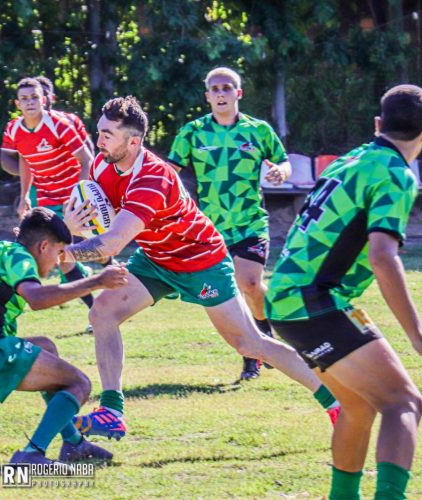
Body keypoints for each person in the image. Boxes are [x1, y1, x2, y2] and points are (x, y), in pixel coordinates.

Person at [61, 96, 339, 441]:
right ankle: (112, 412)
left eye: (107, 134)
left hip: (201, 261)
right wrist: (70, 226)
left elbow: (112, 244)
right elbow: (100, 224)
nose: (98, 140)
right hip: (155, 259)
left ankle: (335, 401)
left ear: (133, 142)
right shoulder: (102, 166)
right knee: (102, 312)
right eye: (99, 131)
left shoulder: (152, 178)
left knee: (250, 343)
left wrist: (63, 253)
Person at [265, 84, 422, 500]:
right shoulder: (396, 174)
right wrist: (417, 334)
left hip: (286, 296)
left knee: (358, 405)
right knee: (404, 403)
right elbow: (383, 257)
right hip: (316, 301)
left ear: (377, 124)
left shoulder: (353, 158)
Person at [0, 207, 126, 465]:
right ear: (43, 247)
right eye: (59, 252)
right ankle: (32, 453)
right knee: (80, 384)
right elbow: (37, 299)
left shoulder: (0, 249)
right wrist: (96, 282)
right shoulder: (21, 258)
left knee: (46, 347)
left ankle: (74, 443)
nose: (58, 263)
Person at [168, 67, 291, 381]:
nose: (221, 94)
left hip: (250, 222)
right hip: (211, 228)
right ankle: (254, 356)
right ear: (207, 96)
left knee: (250, 285)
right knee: (232, 293)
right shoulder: (193, 132)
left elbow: (283, 161)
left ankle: (265, 335)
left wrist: (281, 171)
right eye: (215, 89)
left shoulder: (258, 130)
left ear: (239, 93)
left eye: (227, 88)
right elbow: (170, 172)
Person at [0, 77, 96, 314]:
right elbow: (25, 159)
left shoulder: (60, 124)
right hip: (45, 198)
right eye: (24, 98)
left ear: (43, 99)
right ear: (17, 104)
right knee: (58, 254)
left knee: (92, 250)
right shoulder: (14, 128)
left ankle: (107, 280)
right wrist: (24, 195)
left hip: (72, 195)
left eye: (34, 97)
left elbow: (87, 160)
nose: (30, 102)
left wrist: (79, 194)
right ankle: (96, 311)